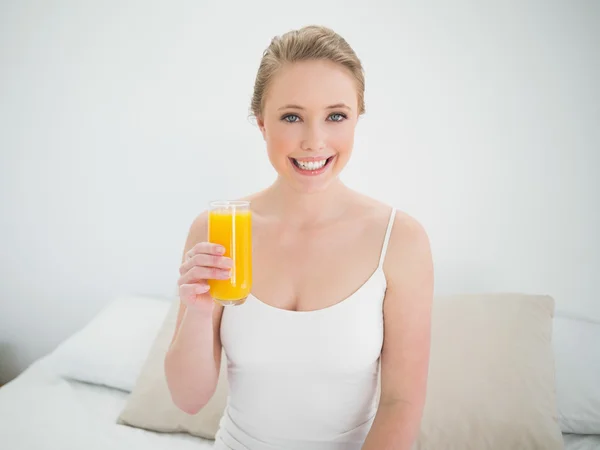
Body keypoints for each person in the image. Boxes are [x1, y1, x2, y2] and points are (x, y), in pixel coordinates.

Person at [165, 25, 434, 450]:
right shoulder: (217, 230)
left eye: (336, 116)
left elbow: (401, 402)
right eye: (292, 117)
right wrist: (197, 313)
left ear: (356, 119)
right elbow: (188, 398)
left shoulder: (400, 240)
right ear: (261, 124)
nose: (314, 140)